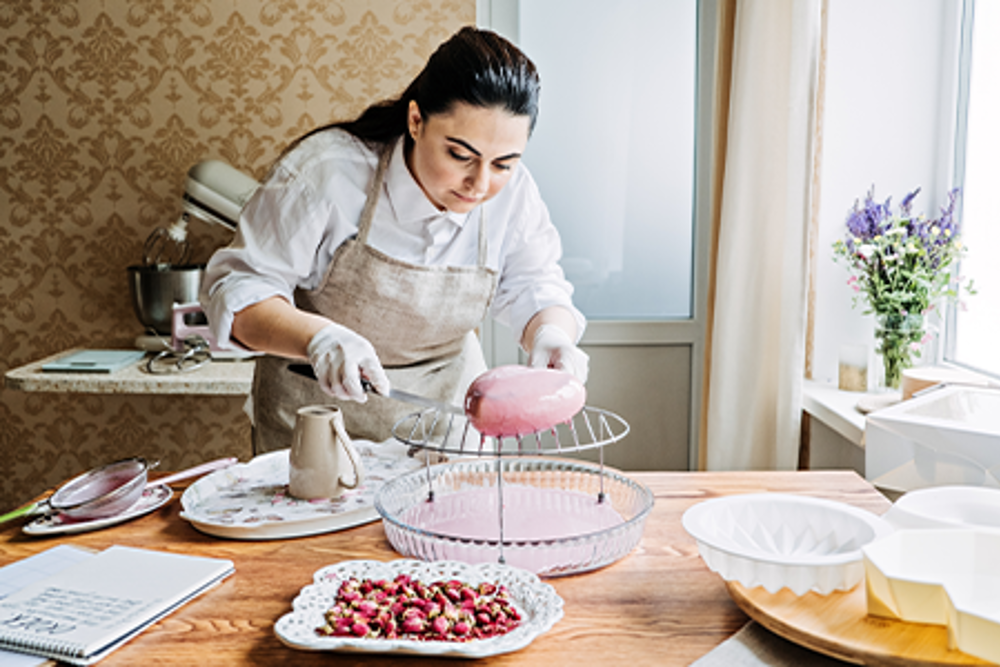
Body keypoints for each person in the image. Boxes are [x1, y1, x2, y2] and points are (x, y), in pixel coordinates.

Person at [201, 26, 588, 453]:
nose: (480, 183)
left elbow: (536, 285)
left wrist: (553, 335)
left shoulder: (512, 196)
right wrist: (319, 338)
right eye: (460, 155)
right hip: (315, 429)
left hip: (445, 430)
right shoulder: (328, 172)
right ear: (416, 120)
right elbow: (236, 294)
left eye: (504, 164)